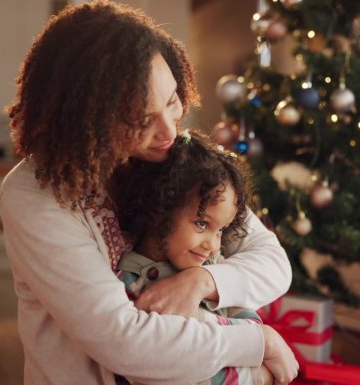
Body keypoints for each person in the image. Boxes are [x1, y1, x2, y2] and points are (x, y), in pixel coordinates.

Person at [0, 2, 297, 384]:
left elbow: (272, 261)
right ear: (85, 119)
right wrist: (258, 341)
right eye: (142, 120)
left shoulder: (177, 159)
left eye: (172, 100)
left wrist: (202, 281)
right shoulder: (34, 195)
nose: (170, 132)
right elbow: (126, 341)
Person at [110, 129, 273, 385]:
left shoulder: (212, 266)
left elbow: (252, 322)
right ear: (159, 210)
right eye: (201, 223)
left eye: (220, 230)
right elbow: (166, 370)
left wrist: (253, 340)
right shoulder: (128, 286)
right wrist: (255, 368)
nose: (212, 243)